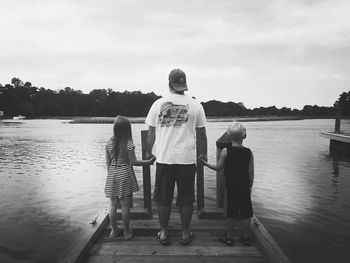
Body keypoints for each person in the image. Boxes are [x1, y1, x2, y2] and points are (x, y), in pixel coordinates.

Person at [145, 68, 208, 246]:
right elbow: (202, 134)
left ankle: (164, 233)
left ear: (169, 83)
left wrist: (148, 152)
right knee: (187, 198)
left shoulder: (158, 104)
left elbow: (151, 132)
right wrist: (203, 154)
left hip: (165, 159)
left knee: (163, 198)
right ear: (184, 84)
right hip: (187, 160)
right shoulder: (196, 105)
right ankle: (185, 233)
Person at [200, 122, 254, 246]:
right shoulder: (249, 152)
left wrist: (204, 163)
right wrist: (250, 186)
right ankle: (246, 237)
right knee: (247, 213)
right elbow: (251, 171)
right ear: (244, 136)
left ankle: (229, 238)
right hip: (245, 186)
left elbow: (218, 168)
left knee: (231, 212)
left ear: (229, 136)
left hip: (231, 186)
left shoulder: (225, 151)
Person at [105, 115, 155, 241]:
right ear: (128, 129)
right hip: (124, 173)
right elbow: (134, 162)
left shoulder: (109, 142)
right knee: (125, 205)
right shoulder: (128, 143)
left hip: (112, 173)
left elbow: (107, 162)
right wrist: (148, 162)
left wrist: (111, 174)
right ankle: (127, 232)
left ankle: (114, 230)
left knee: (112, 204)